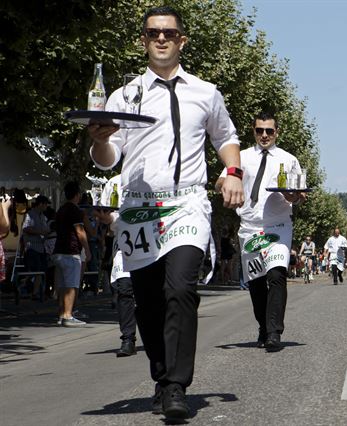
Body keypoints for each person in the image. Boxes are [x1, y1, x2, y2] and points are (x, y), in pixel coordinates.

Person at [88, 6, 244, 420]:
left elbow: (226, 138)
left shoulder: (206, 92)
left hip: (187, 203)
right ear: (143, 41)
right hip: (139, 209)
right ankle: (161, 375)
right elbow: (108, 159)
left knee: (180, 288)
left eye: (169, 33)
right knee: (148, 301)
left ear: (182, 41)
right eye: (153, 33)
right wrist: (101, 139)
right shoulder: (123, 96)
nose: (161, 39)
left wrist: (233, 172)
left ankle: (176, 385)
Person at [216, 111, 304, 352]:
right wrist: (225, 187)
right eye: (259, 131)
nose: (264, 135)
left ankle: (275, 331)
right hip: (250, 229)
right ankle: (263, 326)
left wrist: (294, 196)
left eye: (269, 131)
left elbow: (299, 196)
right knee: (256, 282)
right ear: (253, 132)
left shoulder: (289, 159)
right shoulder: (240, 157)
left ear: (277, 132)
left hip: (278, 227)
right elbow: (220, 181)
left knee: (277, 275)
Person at [99, 175, 137, 357]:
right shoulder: (113, 182)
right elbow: (106, 215)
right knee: (125, 290)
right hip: (124, 245)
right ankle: (128, 338)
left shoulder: (155, 173)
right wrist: (105, 216)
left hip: (152, 244)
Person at [53, 181, 91, 327]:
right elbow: (80, 231)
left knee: (62, 285)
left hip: (58, 250)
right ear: (77, 195)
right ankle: (68, 315)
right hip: (71, 251)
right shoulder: (75, 211)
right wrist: (86, 249)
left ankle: (62, 314)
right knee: (71, 284)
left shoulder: (60, 210)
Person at [21, 195, 51, 300]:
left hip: (41, 247)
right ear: (41, 204)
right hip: (31, 246)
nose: (47, 207)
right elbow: (26, 228)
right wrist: (40, 232)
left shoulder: (43, 216)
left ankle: (35, 292)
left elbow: (46, 229)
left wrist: (47, 232)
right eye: (46, 204)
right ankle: (23, 285)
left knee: (41, 270)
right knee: (34, 269)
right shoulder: (30, 214)